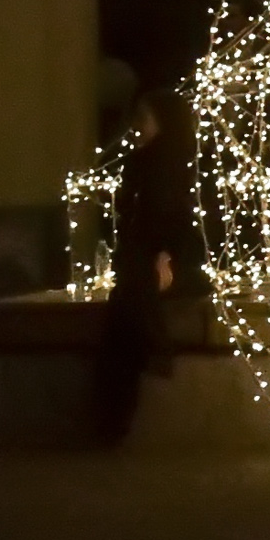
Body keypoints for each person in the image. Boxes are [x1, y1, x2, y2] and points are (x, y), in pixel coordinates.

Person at [94, 89, 199, 447]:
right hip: (137, 260)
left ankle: (112, 419)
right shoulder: (140, 162)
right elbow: (131, 214)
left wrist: (166, 255)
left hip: (159, 261)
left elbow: (175, 217)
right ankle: (111, 418)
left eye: (144, 117)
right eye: (136, 117)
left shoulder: (172, 163)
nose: (137, 126)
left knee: (127, 321)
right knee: (124, 323)